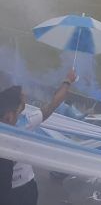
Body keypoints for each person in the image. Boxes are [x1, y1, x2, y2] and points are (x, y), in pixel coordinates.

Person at [0, 70, 77, 205]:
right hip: (22, 189)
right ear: (9, 116)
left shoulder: (22, 119)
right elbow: (54, 103)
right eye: (20, 107)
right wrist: (68, 81)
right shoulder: (25, 122)